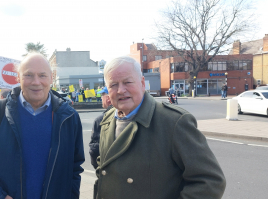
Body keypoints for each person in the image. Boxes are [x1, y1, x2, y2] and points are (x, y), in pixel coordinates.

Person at [94, 56, 225, 199]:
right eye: (113, 85)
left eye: (127, 82)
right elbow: (104, 172)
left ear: (142, 83)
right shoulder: (107, 120)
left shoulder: (174, 122)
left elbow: (210, 182)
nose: (120, 90)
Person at [0, 52, 85, 199]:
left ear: (52, 77)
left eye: (42, 75)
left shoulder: (70, 118)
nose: (36, 81)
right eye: (28, 75)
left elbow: (74, 169)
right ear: (17, 77)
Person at [89, 86, 113, 169]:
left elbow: (94, 150)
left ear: (108, 99)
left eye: (102, 96)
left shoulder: (101, 120)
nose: (101, 99)